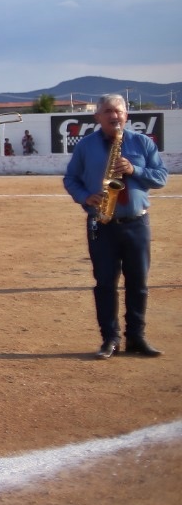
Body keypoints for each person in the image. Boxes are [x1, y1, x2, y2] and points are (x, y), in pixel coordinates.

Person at [63, 94, 168, 359]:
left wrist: (135, 170)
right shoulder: (86, 146)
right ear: (97, 117)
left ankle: (137, 338)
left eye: (119, 112)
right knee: (105, 283)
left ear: (126, 116)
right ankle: (110, 338)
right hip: (102, 222)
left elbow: (161, 177)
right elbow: (71, 179)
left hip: (136, 223)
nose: (114, 116)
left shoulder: (142, 143)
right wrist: (86, 196)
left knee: (138, 283)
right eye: (108, 111)